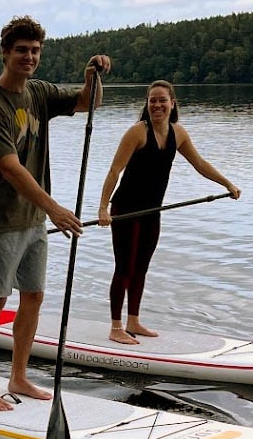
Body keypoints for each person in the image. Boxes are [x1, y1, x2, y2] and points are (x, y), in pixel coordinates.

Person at [0, 15, 111, 411]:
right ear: (5, 53)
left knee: (33, 296)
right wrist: (54, 208)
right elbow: (9, 166)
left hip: (32, 220)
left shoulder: (39, 94)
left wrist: (92, 77)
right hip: (0, 219)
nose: (29, 57)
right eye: (21, 50)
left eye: (34, 51)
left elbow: (88, 102)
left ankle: (18, 375)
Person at [97, 80, 240, 344]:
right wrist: (103, 208)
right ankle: (116, 327)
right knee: (124, 268)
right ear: (147, 104)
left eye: (162, 100)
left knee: (141, 268)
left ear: (173, 103)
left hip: (153, 211)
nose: (157, 105)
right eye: (152, 100)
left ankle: (134, 321)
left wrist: (227, 184)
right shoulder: (137, 133)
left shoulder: (178, 133)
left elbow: (200, 164)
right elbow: (114, 171)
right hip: (125, 210)